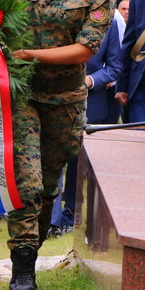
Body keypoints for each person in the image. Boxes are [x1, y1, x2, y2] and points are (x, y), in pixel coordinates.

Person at [3, 0, 114, 290]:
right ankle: (22, 269)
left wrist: (32, 52)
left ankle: (31, 255)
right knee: (26, 181)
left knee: (48, 185)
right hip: (22, 95)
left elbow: (87, 48)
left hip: (65, 102)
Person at [50, 18, 121, 238]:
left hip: (90, 103)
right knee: (53, 161)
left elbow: (114, 67)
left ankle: (70, 216)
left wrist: (90, 81)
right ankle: (51, 222)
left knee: (78, 165)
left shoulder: (109, 22)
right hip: (54, 98)